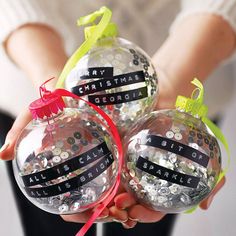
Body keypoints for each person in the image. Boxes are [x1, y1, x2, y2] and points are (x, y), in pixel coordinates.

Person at [0, 0, 234, 235]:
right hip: (33, 89)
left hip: (184, 86)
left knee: (145, 217)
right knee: (52, 219)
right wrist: (52, 82)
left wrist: (174, 76)